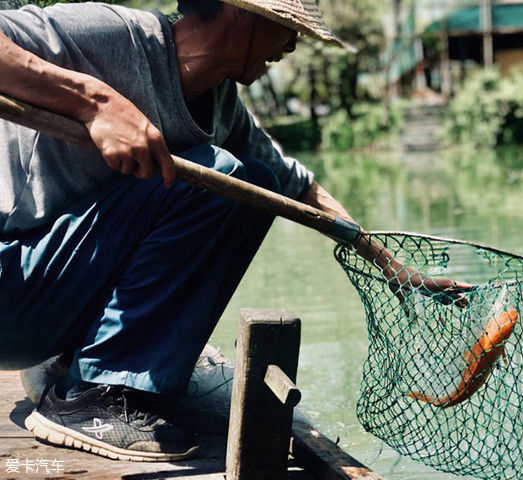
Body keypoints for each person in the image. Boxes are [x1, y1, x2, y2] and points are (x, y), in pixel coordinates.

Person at [0, 0, 469, 461]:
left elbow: (294, 186)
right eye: (285, 25)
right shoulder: (113, 35)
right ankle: (88, 396)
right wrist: (94, 101)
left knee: (252, 183)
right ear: (239, 11)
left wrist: (393, 267)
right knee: (219, 176)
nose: (292, 43)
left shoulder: (223, 108)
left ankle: (85, 364)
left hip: (48, 322)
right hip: (13, 286)